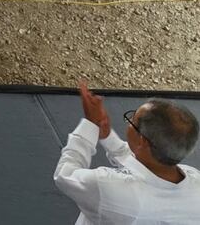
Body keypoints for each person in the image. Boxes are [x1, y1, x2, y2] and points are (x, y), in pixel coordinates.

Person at [54, 80, 200, 222]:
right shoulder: (195, 182)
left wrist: (90, 124)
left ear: (142, 140)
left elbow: (65, 175)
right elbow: (142, 164)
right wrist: (108, 137)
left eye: (132, 120)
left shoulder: (107, 186)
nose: (129, 121)